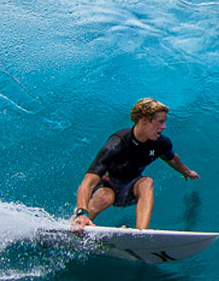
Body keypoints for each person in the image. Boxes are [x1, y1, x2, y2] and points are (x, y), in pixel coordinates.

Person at [72, 98, 199, 230]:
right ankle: (79, 223)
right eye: (160, 122)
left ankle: (140, 234)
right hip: (107, 185)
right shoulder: (117, 143)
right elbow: (87, 182)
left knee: (146, 182)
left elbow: (172, 158)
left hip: (130, 188)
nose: (164, 126)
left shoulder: (161, 143)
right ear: (144, 120)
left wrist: (186, 171)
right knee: (106, 197)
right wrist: (82, 211)